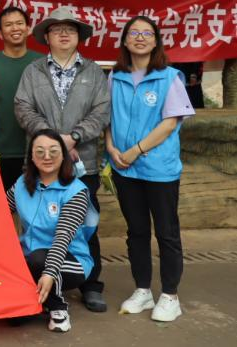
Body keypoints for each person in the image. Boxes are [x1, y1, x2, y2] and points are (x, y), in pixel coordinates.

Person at [14, 7, 110, 312]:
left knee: (86, 223)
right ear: (47, 37)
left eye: (70, 29)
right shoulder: (33, 71)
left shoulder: (93, 72)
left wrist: (74, 137)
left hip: (83, 162)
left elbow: (102, 111)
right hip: (42, 161)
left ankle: (90, 284)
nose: (64, 34)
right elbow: (23, 107)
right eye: (56, 29)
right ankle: (37, 279)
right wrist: (53, 141)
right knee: (36, 220)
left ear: (79, 36)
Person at [106, 16, 193, 322]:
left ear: (156, 41)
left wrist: (135, 151)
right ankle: (142, 290)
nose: (140, 37)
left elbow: (169, 124)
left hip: (159, 169)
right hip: (124, 169)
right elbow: (107, 119)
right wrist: (111, 148)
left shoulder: (169, 77)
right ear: (125, 40)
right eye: (134, 33)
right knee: (137, 232)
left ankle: (170, 295)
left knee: (167, 233)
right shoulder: (115, 76)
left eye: (147, 33)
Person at [7, 130, 96, 333]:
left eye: (53, 151)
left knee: (40, 259)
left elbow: (62, 238)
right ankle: (37, 302)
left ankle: (58, 308)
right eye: (40, 151)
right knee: (14, 320)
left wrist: (49, 273)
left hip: (70, 260)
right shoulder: (21, 184)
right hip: (29, 257)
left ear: (63, 155)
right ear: (31, 157)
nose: (47, 156)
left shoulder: (76, 191)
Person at [0, 6, 44, 189]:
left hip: (40, 148)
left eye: (19, 23)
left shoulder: (42, 63)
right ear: (0, 33)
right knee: (4, 203)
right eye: (8, 25)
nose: (15, 28)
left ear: (28, 28)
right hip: (1, 150)